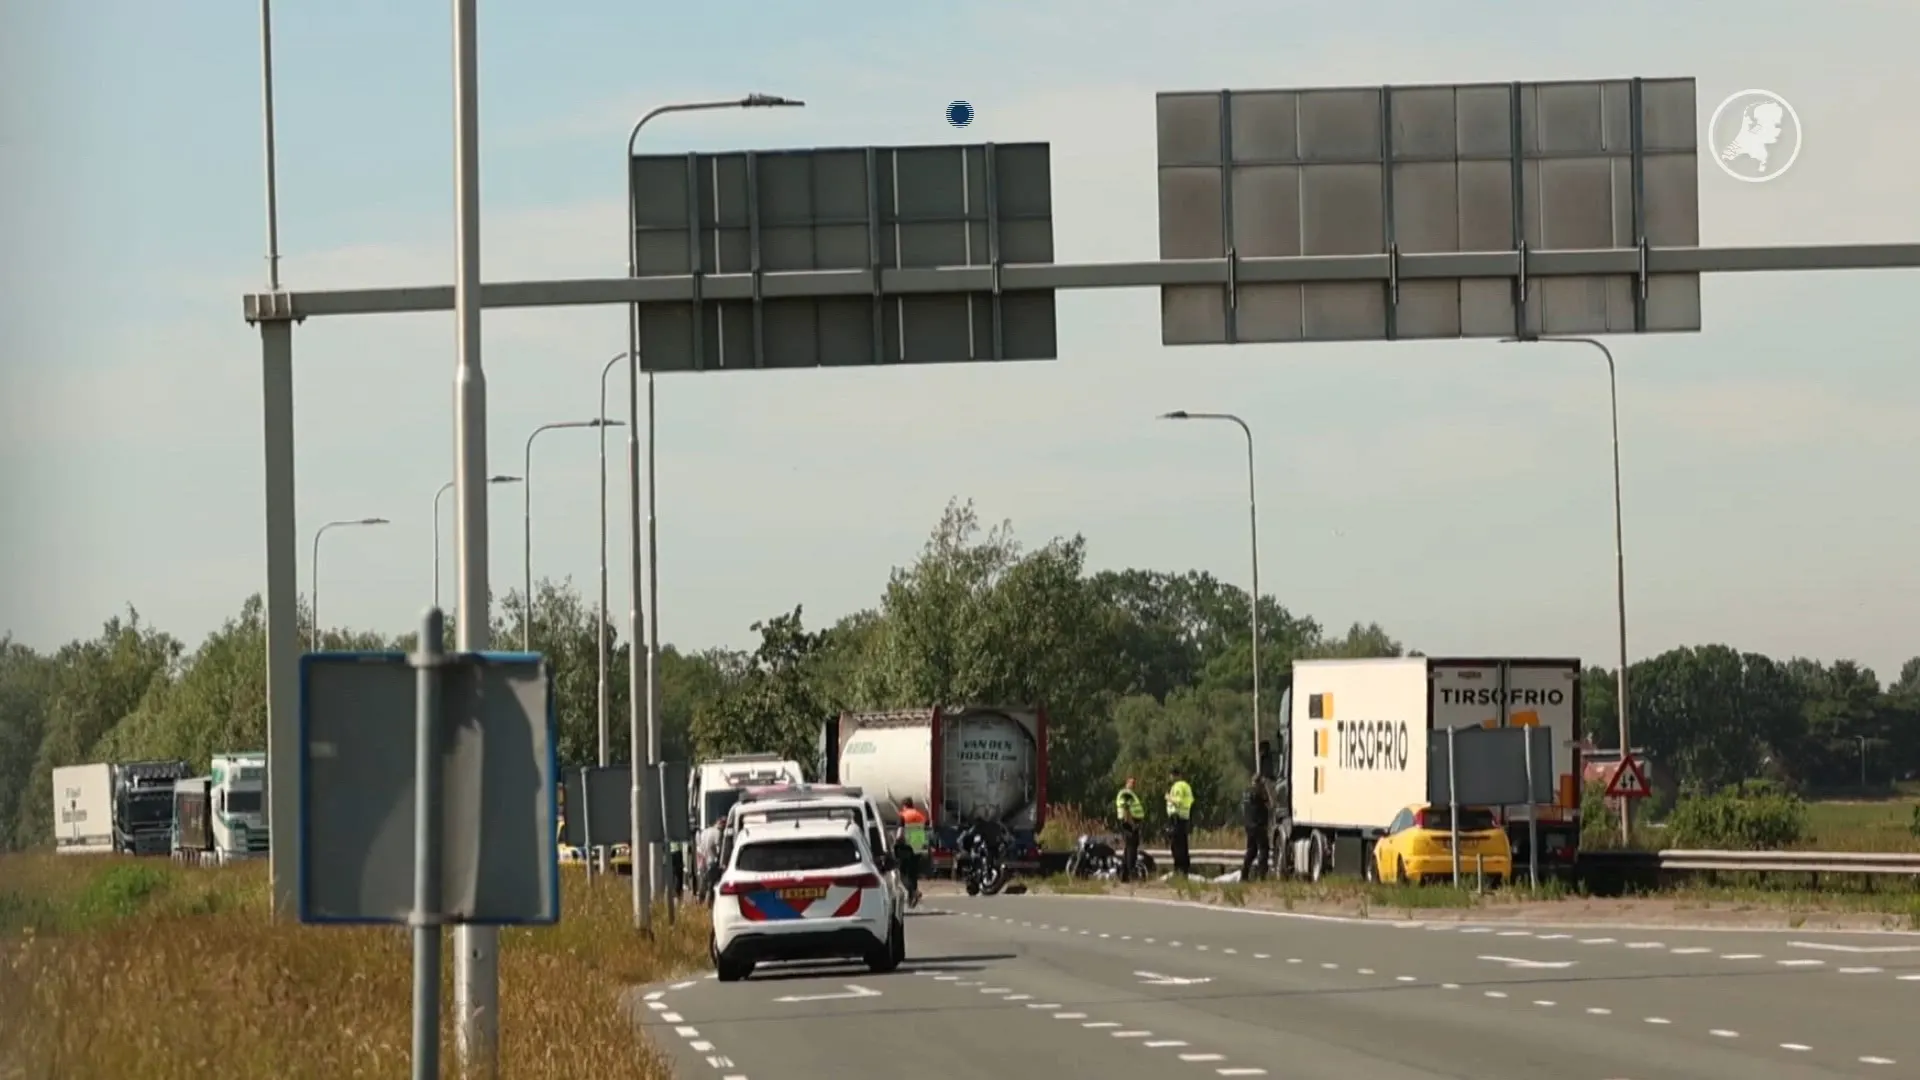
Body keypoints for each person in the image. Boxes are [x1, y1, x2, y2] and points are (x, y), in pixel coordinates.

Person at [895, 797, 928, 906]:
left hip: (906, 847)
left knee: (903, 873)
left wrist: (896, 842)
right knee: (913, 874)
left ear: (904, 805)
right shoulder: (920, 815)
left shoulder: (903, 815)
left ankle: (914, 892)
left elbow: (900, 833)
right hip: (917, 846)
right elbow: (924, 830)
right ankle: (911, 899)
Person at [1241, 771, 1272, 882]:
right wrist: (1266, 789)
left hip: (1249, 826)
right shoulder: (1259, 793)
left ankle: (1244, 875)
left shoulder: (1246, 793)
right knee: (1264, 850)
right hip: (1259, 826)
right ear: (1259, 783)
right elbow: (1270, 804)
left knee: (1251, 851)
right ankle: (1261, 876)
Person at [1114, 777, 1145, 883]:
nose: (1133, 785)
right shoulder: (1126, 793)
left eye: (1134, 783)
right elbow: (1126, 810)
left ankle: (1124, 875)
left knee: (1129, 848)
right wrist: (1132, 824)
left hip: (1131, 823)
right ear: (1126, 783)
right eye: (1131, 783)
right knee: (1132, 848)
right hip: (1129, 823)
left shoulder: (1130, 794)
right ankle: (1131, 873)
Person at [1164, 769, 1195, 877]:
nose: (1170, 778)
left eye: (1171, 776)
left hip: (1176, 819)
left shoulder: (1178, 786)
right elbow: (1189, 801)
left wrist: (1169, 798)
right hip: (1183, 818)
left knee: (1176, 846)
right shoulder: (1186, 786)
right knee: (1183, 845)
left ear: (1175, 776)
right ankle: (1184, 869)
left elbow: (1179, 801)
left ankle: (1179, 870)